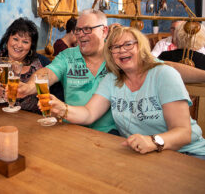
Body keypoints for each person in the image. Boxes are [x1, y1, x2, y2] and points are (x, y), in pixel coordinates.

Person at [18, 9, 205, 134]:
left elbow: (163, 67)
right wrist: (27, 87)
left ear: (104, 31)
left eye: (87, 29)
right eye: (78, 30)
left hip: (112, 134)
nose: (81, 34)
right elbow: (47, 74)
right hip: (72, 128)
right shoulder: (68, 56)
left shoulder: (119, 55)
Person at [49, 26, 205, 158]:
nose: (121, 51)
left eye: (128, 44)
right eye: (115, 47)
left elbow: (184, 132)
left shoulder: (164, 75)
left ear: (141, 46)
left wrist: (152, 142)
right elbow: (89, 113)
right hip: (144, 156)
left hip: (187, 154)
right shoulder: (112, 80)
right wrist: (64, 109)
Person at [0, 18, 64, 114]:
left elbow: (58, 97)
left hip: (34, 122)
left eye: (25, 42)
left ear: (31, 46)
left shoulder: (43, 63)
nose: (19, 45)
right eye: (15, 39)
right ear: (7, 39)